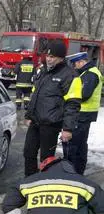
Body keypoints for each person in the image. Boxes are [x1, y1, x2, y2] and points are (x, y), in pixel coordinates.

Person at [23, 40, 82, 177]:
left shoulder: (70, 76)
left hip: (51, 124)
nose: (49, 59)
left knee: (47, 159)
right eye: (48, 56)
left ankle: (45, 184)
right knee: (28, 153)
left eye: (52, 57)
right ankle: (30, 182)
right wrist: (28, 115)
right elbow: (35, 94)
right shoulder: (43, 71)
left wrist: (68, 129)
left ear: (61, 58)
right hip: (36, 121)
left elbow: (72, 104)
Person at [64, 52, 102, 175]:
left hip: (82, 114)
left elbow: (84, 95)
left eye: (75, 64)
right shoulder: (87, 73)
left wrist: (67, 97)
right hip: (83, 114)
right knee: (80, 145)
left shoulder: (90, 74)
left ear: (82, 62)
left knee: (75, 146)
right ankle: (78, 172)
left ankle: (73, 173)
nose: (75, 67)